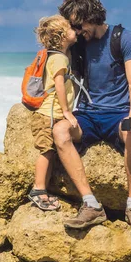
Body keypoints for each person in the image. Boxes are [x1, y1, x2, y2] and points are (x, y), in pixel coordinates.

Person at [52, 0, 131, 233]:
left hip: (117, 114)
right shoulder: (78, 45)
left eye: (78, 24)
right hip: (88, 114)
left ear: (91, 17)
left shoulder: (123, 38)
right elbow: (59, 73)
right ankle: (91, 204)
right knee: (60, 131)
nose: (76, 29)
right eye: (71, 25)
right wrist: (62, 111)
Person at [27, 15, 80, 212]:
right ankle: (38, 189)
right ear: (62, 36)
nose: (75, 29)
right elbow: (59, 84)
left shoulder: (57, 55)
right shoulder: (59, 58)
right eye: (70, 28)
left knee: (49, 150)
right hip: (47, 115)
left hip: (51, 115)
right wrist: (67, 111)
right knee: (46, 151)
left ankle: (43, 189)